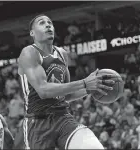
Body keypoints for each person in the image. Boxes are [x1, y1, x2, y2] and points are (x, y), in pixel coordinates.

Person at [17, 14, 116, 149]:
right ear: (32, 33)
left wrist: (90, 89)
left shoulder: (62, 53)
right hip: (38, 123)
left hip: (63, 118)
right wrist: (84, 83)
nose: (48, 25)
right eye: (42, 23)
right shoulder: (29, 52)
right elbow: (43, 90)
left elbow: (66, 96)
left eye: (50, 23)